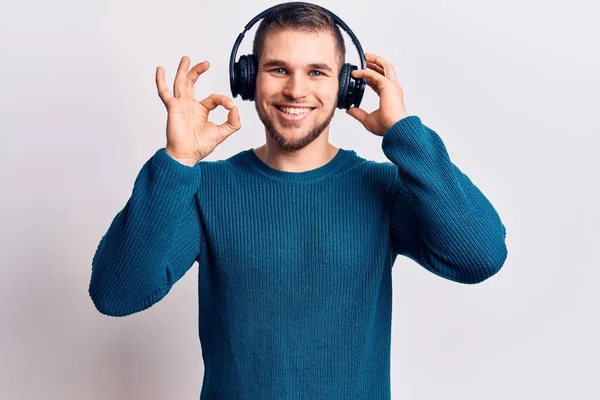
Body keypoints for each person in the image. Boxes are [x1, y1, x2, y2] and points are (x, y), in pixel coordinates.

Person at [89, 3, 507, 399]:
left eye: (317, 72)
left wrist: (405, 133)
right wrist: (177, 162)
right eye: (277, 69)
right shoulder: (205, 188)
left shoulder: (383, 188)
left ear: (346, 86)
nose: (295, 90)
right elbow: (116, 294)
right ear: (248, 78)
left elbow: (481, 256)